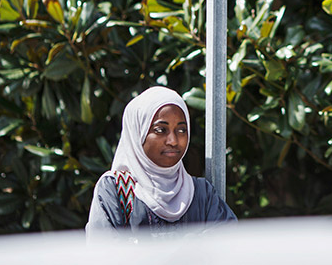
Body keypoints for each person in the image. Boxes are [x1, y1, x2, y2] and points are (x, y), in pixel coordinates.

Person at [85, 86, 236, 238]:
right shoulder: (116, 190)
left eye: (182, 130)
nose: (173, 141)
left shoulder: (202, 193)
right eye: (160, 130)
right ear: (138, 133)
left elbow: (228, 247)